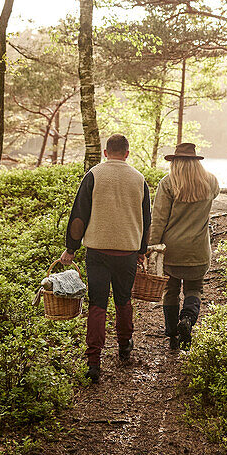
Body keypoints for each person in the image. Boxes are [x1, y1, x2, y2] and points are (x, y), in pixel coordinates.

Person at [60, 133, 151, 383]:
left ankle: (93, 362)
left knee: (97, 304)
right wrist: (142, 250)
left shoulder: (94, 174)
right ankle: (124, 346)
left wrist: (71, 248)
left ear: (105, 152)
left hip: (97, 252)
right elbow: (146, 219)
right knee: (123, 301)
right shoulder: (139, 178)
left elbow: (79, 215)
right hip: (128, 252)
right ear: (127, 154)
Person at [148, 142, 220, 350]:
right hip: (198, 249)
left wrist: (152, 246)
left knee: (170, 290)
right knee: (194, 288)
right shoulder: (211, 181)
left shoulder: (168, 183)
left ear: (175, 162)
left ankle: (172, 334)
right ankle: (187, 319)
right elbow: (214, 196)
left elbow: (159, 218)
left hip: (172, 249)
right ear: (196, 161)